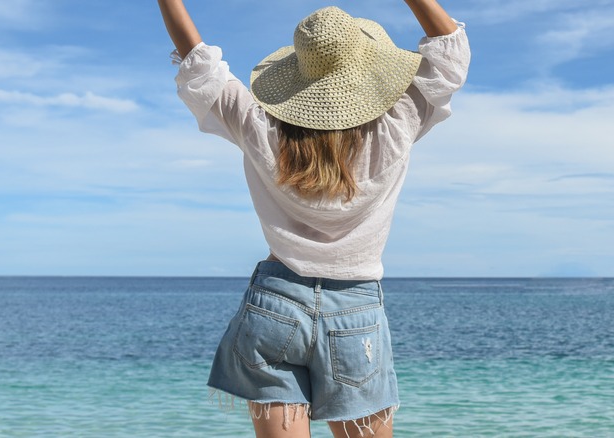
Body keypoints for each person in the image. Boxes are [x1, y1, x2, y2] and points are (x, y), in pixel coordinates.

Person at [157, 1, 470, 437]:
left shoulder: (258, 125)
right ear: (367, 72)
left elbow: (198, 63)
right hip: (355, 311)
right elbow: (450, 51)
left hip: (274, 304)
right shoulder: (397, 125)